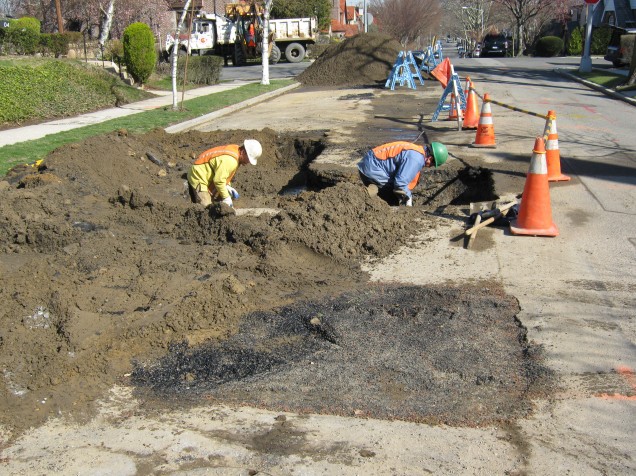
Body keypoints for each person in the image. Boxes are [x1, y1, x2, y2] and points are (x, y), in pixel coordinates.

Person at [357, 141, 448, 206]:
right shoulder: (416, 159)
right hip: (373, 169)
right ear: (430, 159)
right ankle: (365, 197)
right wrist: (408, 197)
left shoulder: (416, 150)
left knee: (389, 192)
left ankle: (371, 192)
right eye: (431, 164)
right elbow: (400, 183)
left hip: (369, 165)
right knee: (392, 200)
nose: (429, 166)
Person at [187, 139, 262, 208]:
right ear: (243, 152)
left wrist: (228, 186)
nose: (248, 162)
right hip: (198, 176)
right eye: (249, 159)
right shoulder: (230, 161)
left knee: (223, 193)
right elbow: (219, 181)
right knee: (207, 207)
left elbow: (224, 174)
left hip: (208, 173)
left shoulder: (236, 151)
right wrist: (226, 198)